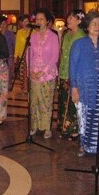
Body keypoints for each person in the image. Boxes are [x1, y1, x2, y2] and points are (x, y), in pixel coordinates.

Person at [70, 11, 99, 158]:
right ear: (87, 26)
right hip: (84, 89)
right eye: (93, 23)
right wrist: (74, 88)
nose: (97, 26)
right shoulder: (78, 44)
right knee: (84, 118)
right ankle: (83, 145)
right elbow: (72, 67)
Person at [27, 8, 59, 139]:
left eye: (41, 19)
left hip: (48, 74)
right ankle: (34, 125)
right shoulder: (32, 36)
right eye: (37, 19)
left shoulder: (53, 36)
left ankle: (46, 127)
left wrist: (43, 72)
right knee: (34, 101)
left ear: (47, 21)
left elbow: (54, 57)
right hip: (34, 73)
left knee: (46, 101)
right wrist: (30, 70)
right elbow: (29, 54)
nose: (38, 21)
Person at [57, 9, 86, 140]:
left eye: (71, 18)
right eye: (68, 17)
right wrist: (59, 34)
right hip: (63, 71)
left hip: (75, 74)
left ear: (79, 21)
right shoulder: (67, 35)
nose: (68, 20)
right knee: (64, 101)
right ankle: (64, 127)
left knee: (73, 102)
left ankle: (74, 129)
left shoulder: (82, 36)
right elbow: (61, 52)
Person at [14, 14, 31, 94]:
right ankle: (23, 89)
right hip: (21, 55)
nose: (25, 23)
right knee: (21, 73)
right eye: (23, 21)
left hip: (30, 55)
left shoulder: (33, 31)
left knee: (29, 73)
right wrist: (15, 56)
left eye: (27, 21)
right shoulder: (19, 32)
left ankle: (29, 89)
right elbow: (17, 45)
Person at [0, 16, 16, 90]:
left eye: (4, 24)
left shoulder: (10, 34)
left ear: (7, 24)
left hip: (9, 57)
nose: (3, 25)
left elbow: (14, 45)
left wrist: (13, 56)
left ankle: (8, 88)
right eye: (1, 24)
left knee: (9, 74)